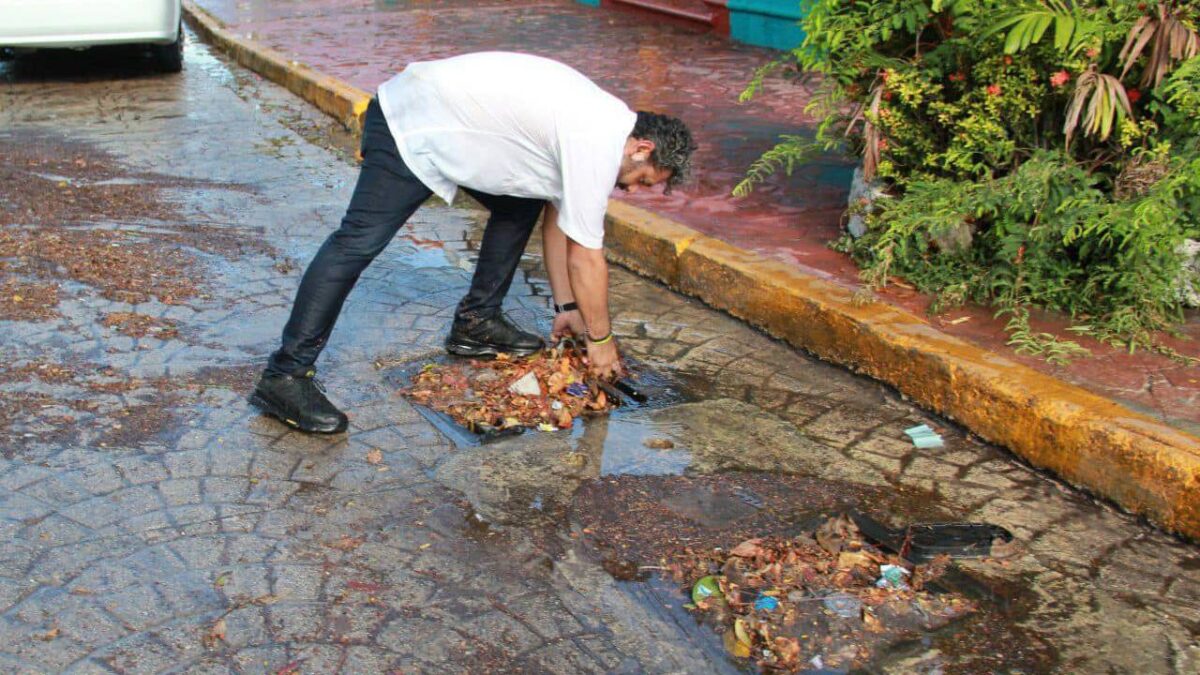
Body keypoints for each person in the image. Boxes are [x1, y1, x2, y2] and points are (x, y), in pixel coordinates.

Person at [249, 51, 696, 434]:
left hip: (442, 114)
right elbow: (586, 258)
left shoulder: (605, 125)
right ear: (641, 148)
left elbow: (559, 220)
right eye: (641, 181)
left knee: (520, 204)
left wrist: (567, 310)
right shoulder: (597, 142)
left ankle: (477, 323)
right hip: (410, 121)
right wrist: (601, 341)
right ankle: (284, 376)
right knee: (356, 243)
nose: (633, 191)